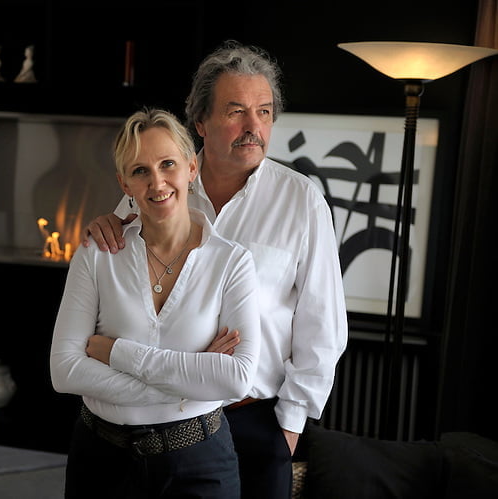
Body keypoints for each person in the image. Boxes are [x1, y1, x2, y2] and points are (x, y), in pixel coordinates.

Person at [83, 40, 348, 499]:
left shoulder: (302, 202)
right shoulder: (161, 184)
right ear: (200, 122)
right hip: (160, 414)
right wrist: (106, 225)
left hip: (252, 420)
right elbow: (123, 291)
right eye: (236, 111)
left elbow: (324, 326)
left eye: (264, 112)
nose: (253, 127)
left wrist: (288, 428)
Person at [50, 107, 262, 498]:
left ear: (191, 167)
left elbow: (237, 378)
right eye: (140, 171)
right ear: (124, 184)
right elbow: (64, 371)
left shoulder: (232, 262)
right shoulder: (96, 254)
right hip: (102, 461)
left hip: (200, 462)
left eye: (168, 164)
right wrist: (192, 382)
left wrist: (117, 353)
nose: (157, 182)